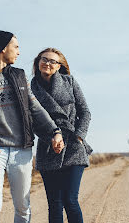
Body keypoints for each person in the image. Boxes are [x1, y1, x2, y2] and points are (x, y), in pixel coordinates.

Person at [0, 31, 64, 223]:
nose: (18, 52)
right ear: (3, 48)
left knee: (23, 208)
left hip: (21, 150)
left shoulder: (18, 76)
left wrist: (55, 131)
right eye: (15, 47)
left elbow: (34, 107)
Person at [31, 47, 92, 223]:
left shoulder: (70, 82)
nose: (47, 63)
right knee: (54, 203)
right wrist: (50, 138)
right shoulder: (30, 88)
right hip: (48, 148)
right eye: (44, 59)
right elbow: (33, 121)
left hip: (73, 146)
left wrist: (79, 137)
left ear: (59, 66)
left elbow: (85, 112)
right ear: (38, 62)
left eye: (52, 61)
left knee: (70, 200)